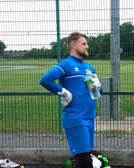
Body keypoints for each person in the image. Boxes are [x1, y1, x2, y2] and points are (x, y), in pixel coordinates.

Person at [40, 32, 101, 168]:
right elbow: (45, 80)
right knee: (84, 160)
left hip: (89, 118)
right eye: (84, 43)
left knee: (84, 159)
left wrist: (97, 86)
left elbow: (97, 93)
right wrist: (62, 91)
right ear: (73, 46)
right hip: (75, 118)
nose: (87, 47)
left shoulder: (89, 67)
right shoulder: (66, 65)